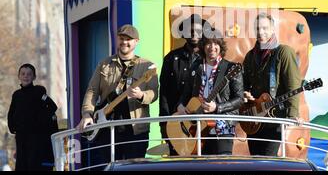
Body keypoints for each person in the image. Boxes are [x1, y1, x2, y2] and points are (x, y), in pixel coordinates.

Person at [76, 24, 158, 164]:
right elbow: (92, 90)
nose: (124, 42)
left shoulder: (147, 66)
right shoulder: (104, 64)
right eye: (121, 38)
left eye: (128, 39)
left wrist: (141, 95)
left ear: (136, 41)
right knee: (109, 167)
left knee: (135, 168)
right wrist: (86, 114)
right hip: (107, 129)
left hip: (136, 130)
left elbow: (154, 93)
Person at [243, 13, 302, 156]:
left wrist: (292, 114)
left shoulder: (284, 52)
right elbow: (244, 84)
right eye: (257, 28)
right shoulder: (250, 56)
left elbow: (293, 86)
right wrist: (244, 94)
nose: (261, 32)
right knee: (255, 161)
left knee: (268, 160)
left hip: (274, 118)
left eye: (264, 28)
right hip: (254, 119)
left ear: (272, 30)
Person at [181, 28, 244, 155]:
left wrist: (217, 107)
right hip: (198, 128)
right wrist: (180, 105)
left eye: (215, 43)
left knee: (222, 166)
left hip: (223, 127)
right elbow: (186, 92)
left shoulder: (230, 68)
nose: (212, 47)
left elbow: (239, 99)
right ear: (203, 46)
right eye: (208, 43)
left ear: (220, 46)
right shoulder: (196, 67)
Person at [159, 14, 210, 155]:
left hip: (203, 123)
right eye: (190, 30)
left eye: (198, 31)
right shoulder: (171, 58)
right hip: (176, 124)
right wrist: (164, 123)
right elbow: (164, 92)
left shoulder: (209, 58)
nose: (194, 34)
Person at [7, 63, 59, 171]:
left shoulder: (39, 91)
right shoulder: (16, 95)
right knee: (22, 165)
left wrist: (41, 122)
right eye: (23, 74)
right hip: (21, 137)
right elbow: (11, 113)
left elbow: (52, 106)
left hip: (37, 138)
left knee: (34, 164)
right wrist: (12, 127)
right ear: (19, 76)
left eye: (29, 74)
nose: (26, 76)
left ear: (34, 77)